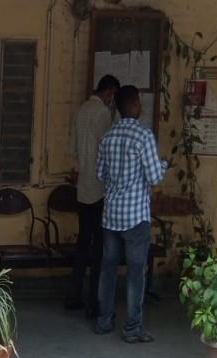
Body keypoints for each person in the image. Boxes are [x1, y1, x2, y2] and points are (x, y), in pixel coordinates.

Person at [95, 85, 170, 343]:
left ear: (117, 107)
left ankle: (103, 321)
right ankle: (132, 327)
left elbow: (100, 174)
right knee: (136, 272)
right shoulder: (144, 136)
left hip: (111, 215)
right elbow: (154, 176)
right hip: (136, 217)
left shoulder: (108, 136)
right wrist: (165, 164)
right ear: (135, 104)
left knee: (108, 268)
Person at [67, 74, 120, 319]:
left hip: (83, 189)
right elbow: (110, 147)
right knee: (99, 247)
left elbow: (73, 149)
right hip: (100, 189)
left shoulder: (81, 111)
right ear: (109, 92)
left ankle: (73, 295)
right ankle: (94, 302)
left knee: (82, 244)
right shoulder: (102, 114)